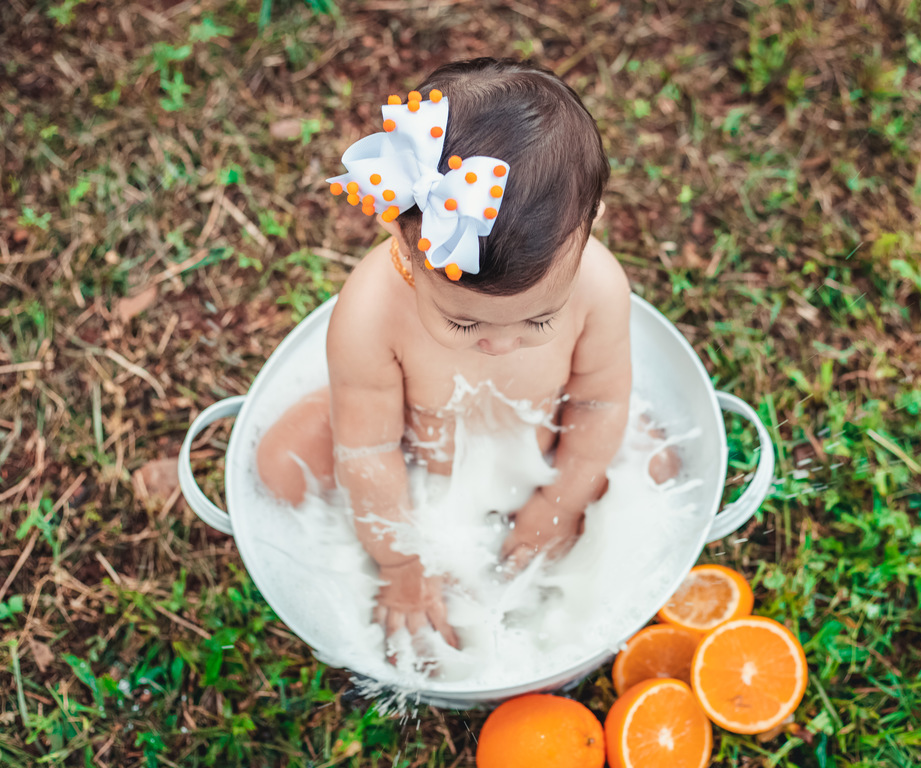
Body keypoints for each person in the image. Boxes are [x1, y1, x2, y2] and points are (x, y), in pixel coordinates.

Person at [255, 58, 670, 654]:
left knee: (650, 470)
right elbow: (369, 447)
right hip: (414, 452)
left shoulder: (599, 286)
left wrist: (559, 499)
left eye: (538, 320)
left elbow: (599, 400)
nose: (500, 343)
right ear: (405, 240)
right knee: (280, 464)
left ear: (590, 225)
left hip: (543, 446)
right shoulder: (372, 313)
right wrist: (400, 562)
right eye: (463, 320)